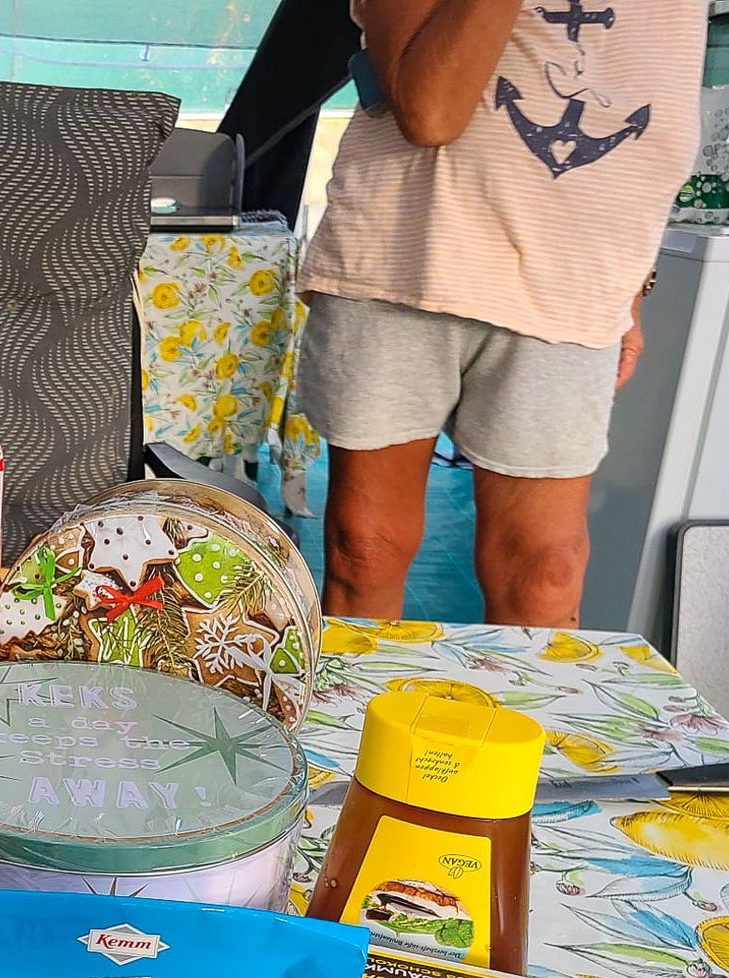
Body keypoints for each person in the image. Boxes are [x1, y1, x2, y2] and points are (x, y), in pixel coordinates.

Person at [296, 0, 706, 626]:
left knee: (546, 572)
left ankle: (524, 697)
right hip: (401, 257)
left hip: (574, 279)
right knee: (365, 549)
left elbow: (652, 110)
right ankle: (356, 695)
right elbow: (430, 111)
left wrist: (630, 286)